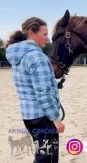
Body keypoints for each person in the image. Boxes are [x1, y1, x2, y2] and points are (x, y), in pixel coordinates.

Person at [5, 17, 65, 163]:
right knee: (47, 158)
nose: (48, 38)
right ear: (32, 32)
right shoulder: (37, 57)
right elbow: (43, 94)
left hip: (29, 116)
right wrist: (56, 120)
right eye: (44, 34)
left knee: (43, 154)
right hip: (43, 117)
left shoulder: (18, 55)